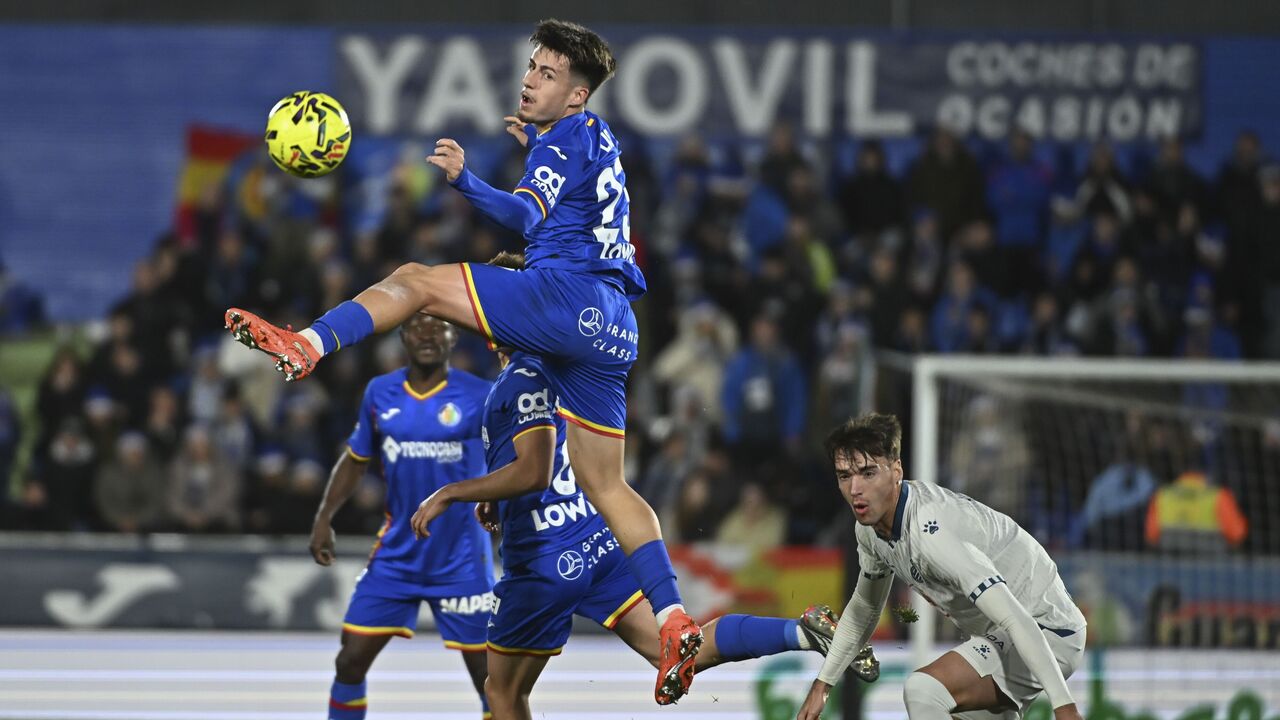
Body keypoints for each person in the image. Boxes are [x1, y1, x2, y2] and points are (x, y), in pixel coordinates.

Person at [226, 19, 702, 703]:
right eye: (531, 66)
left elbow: (525, 216)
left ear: (577, 94)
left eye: (547, 73)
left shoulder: (563, 137)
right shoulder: (595, 137)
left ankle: (308, 344)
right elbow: (571, 199)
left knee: (416, 280)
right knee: (607, 485)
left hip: (563, 296)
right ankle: (674, 617)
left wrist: (464, 180)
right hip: (614, 324)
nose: (529, 79)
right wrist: (538, 145)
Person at [408, 257, 878, 718]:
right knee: (679, 647)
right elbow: (547, 456)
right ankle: (802, 632)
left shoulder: (517, 381)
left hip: (546, 557)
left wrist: (452, 492)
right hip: (598, 539)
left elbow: (535, 469)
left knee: (503, 692)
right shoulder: (570, 365)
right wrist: (496, 494)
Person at [797, 413, 1087, 720]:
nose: (855, 488)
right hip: (1005, 637)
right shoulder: (869, 531)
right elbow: (865, 607)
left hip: (1046, 631)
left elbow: (1016, 617)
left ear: (896, 470)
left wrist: (1064, 706)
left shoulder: (931, 532)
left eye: (868, 473)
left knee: (924, 691)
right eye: (844, 476)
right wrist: (823, 684)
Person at [308, 314, 494, 720]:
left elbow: (513, 459)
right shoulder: (380, 392)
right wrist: (325, 516)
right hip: (397, 556)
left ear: (454, 336)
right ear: (402, 337)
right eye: (417, 327)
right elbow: (356, 459)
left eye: (438, 327)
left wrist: (499, 502)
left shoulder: (481, 395)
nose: (427, 334)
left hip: (462, 560)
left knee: (491, 679)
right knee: (349, 661)